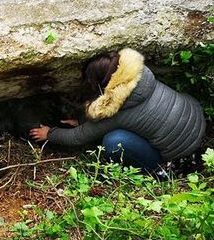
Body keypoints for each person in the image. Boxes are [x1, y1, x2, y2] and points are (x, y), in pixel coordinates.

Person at [29, 48, 206, 172]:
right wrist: (81, 121)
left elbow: (78, 137)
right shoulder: (140, 78)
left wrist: (49, 134)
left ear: (100, 85)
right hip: (198, 126)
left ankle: (157, 171)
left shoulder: (115, 108)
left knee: (114, 140)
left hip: (179, 161)